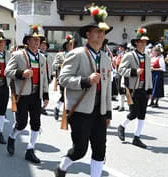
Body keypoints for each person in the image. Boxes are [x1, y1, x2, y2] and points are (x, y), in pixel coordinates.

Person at [55, 5, 112, 177]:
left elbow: (107, 87)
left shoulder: (105, 58)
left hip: (100, 111)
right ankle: (62, 167)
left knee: (100, 148)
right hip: (80, 110)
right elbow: (63, 79)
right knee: (80, 150)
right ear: (88, 34)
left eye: (103, 31)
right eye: (97, 31)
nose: (101, 34)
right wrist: (85, 81)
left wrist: (108, 112)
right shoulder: (77, 53)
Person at [5, 25, 49, 163]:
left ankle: (30, 150)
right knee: (22, 123)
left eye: (38, 40)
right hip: (22, 94)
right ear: (27, 41)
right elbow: (7, 72)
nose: (37, 42)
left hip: (36, 95)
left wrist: (46, 95)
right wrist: (21, 73)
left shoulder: (42, 58)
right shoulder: (18, 55)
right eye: (33, 39)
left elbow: (44, 78)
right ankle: (12, 137)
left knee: (36, 123)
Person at [117, 27, 153, 148]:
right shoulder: (129, 55)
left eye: (145, 42)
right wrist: (134, 72)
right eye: (141, 41)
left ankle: (137, 137)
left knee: (142, 113)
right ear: (136, 42)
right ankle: (122, 126)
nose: (143, 44)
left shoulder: (147, 57)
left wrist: (150, 89)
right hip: (131, 89)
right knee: (134, 113)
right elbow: (120, 69)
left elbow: (149, 74)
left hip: (144, 89)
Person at [53, 35, 75, 120]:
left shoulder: (75, 55)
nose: (70, 46)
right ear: (65, 45)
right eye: (69, 44)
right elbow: (54, 65)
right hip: (63, 78)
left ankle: (67, 112)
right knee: (64, 95)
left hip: (73, 79)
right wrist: (61, 65)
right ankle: (58, 108)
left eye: (72, 44)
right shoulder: (60, 55)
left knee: (71, 96)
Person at [39, 39, 53, 115]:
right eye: (42, 45)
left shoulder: (49, 56)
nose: (43, 47)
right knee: (40, 93)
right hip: (41, 77)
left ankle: (43, 107)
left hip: (47, 77)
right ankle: (39, 107)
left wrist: (51, 75)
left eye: (45, 45)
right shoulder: (38, 55)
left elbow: (51, 67)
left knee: (46, 92)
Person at [113, 43, 128, 112]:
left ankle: (122, 106)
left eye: (120, 47)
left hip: (123, 73)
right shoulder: (119, 55)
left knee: (122, 90)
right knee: (118, 89)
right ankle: (119, 104)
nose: (119, 48)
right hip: (117, 72)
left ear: (123, 48)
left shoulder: (126, 55)